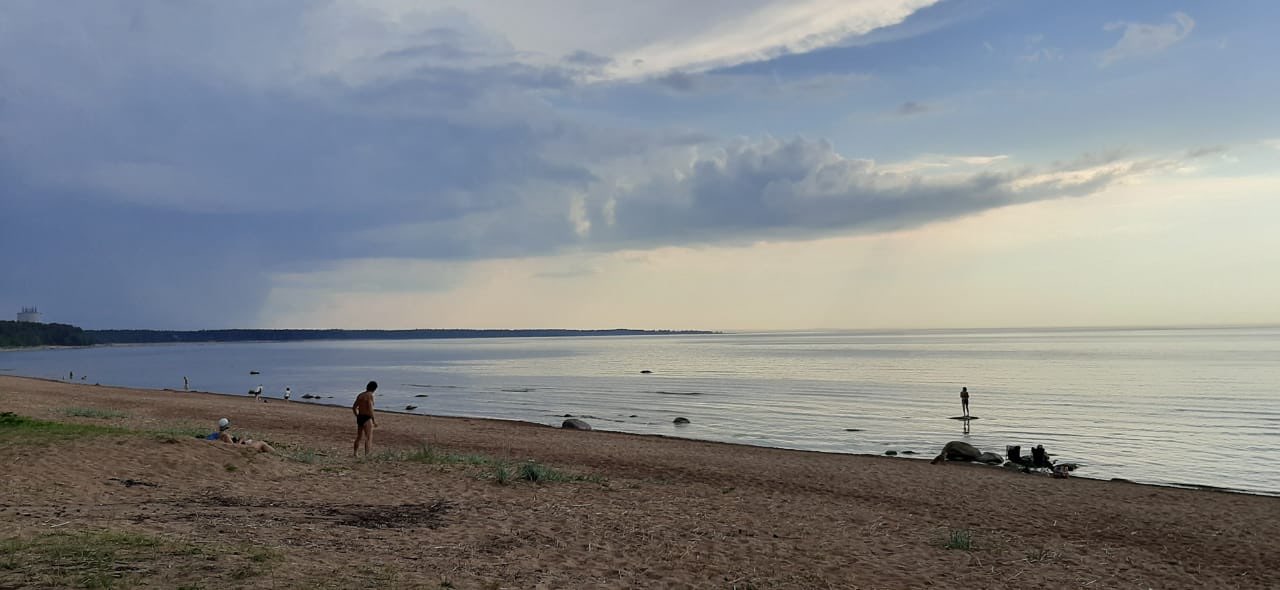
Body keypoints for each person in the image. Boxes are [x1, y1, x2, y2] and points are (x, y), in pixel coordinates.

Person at [352, 380, 378, 457]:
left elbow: (354, 407)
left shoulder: (360, 395)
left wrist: (357, 416)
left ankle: (355, 453)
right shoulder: (370, 395)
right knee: (369, 437)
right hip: (367, 417)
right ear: (375, 389)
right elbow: (370, 409)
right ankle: (367, 455)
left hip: (360, 416)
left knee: (359, 436)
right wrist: (374, 420)